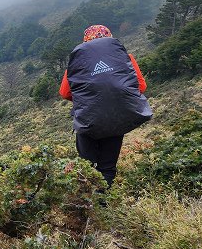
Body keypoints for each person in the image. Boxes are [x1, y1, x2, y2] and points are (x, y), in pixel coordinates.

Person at [59, 25, 152, 187]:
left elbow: (65, 92)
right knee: (107, 167)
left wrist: (87, 97)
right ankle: (102, 203)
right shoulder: (125, 58)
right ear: (109, 37)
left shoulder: (79, 63)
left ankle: (85, 203)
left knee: (85, 166)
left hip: (89, 122)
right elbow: (141, 87)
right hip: (117, 119)